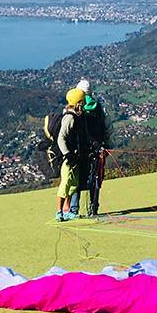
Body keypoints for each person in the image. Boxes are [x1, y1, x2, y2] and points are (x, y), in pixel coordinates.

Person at [73, 78, 109, 217]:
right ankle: (93, 208)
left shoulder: (76, 108)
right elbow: (107, 127)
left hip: (80, 149)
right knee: (96, 178)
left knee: (76, 177)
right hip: (97, 148)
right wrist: (106, 145)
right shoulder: (99, 107)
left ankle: (73, 209)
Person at [54, 88, 88, 222]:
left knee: (73, 184)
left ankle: (67, 210)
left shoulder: (77, 116)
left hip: (75, 157)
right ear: (78, 102)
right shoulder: (69, 118)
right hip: (67, 158)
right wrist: (67, 155)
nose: (84, 104)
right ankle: (59, 211)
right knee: (65, 184)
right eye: (82, 101)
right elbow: (61, 138)